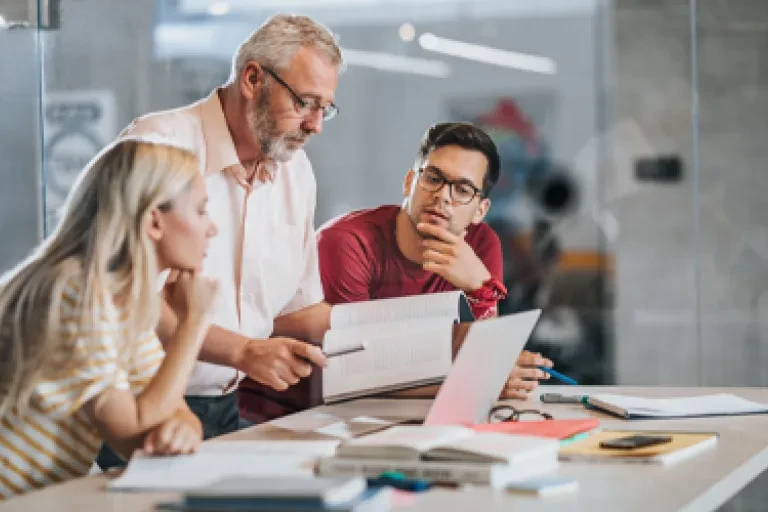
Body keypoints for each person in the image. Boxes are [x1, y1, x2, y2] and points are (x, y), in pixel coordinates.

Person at [114, 14, 340, 439]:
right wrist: (244, 351)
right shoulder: (160, 143)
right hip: (138, 408)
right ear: (253, 79)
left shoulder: (296, 171)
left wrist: (422, 339)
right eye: (304, 103)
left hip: (225, 409)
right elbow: (132, 299)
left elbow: (297, 311)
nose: (315, 125)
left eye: (325, 108)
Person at [0, 139, 218, 500]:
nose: (212, 228)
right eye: (201, 211)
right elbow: (132, 425)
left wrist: (182, 426)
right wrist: (194, 322)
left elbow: (148, 427)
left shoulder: (123, 303)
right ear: (153, 222)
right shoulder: (78, 292)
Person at [316, 122, 552, 399]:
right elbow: (353, 372)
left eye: (463, 190)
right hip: (300, 414)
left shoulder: (481, 244)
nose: (442, 196)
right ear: (409, 182)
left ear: (481, 210)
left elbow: (483, 355)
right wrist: (478, 383)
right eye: (433, 178)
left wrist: (481, 292)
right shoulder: (348, 241)